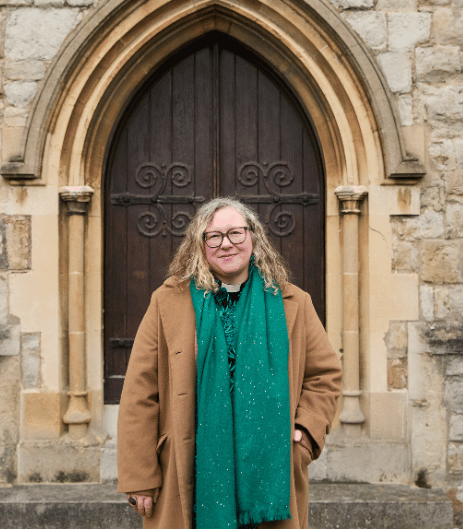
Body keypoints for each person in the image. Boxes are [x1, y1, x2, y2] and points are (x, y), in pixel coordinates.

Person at [117, 197, 342, 529]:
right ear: (200, 245)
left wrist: (305, 435)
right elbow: (140, 392)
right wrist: (139, 475)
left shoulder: (294, 303)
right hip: (188, 466)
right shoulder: (168, 302)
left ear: (253, 237)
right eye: (214, 236)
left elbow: (325, 376)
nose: (226, 244)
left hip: (271, 468)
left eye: (236, 233)